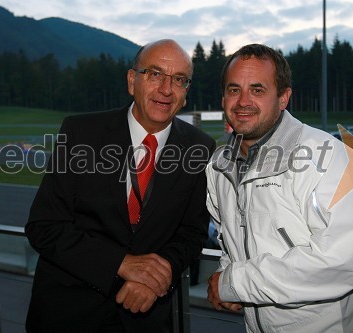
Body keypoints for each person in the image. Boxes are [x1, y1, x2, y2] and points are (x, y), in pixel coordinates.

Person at [25, 39, 215, 332]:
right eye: (155, 74)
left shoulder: (200, 147)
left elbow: (192, 233)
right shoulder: (81, 134)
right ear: (131, 81)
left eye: (179, 79)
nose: (166, 89)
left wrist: (157, 276)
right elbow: (44, 226)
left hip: (146, 316)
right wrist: (120, 264)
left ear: (186, 93)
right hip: (69, 313)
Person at [205, 44, 353, 332]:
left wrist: (234, 282)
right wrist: (227, 273)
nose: (243, 101)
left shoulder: (332, 156)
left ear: (283, 98)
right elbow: (231, 240)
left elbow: (341, 262)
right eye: (233, 89)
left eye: (258, 89)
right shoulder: (218, 166)